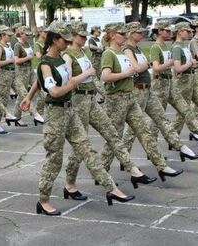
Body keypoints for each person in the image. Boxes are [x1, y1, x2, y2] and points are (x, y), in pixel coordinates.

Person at [20, 22, 134, 216]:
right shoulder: (46, 63)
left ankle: (111, 188)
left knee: (86, 149)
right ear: (55, 39)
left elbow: (39, 82)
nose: (68, 43)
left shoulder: (60, 60)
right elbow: (54, 91)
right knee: (54, 160)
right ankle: (44, 200)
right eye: (65, 40)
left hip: (69, 111)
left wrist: (29, 96)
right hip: (55, 114)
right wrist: (78, 80)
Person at [62, 22, 156, 193]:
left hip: (91, 100)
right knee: (80, 146)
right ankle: (70, 184)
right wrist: (87, 74)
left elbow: (95, 79)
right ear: (72, 36)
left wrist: (102, 93)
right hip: (78, 101)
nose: (83, 39)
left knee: (112, 134)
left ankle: (133, 170)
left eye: (84, 36)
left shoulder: (83, 53)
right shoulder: (68, 56)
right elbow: (70, 82)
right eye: (80, 36)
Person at [99, 23, 183, 181]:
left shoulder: (122, 53)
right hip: (116, 100)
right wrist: (126, 74)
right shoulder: (109, 53)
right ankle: (102, 171)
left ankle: (161, 165)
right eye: (121, 33)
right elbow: (105, 77)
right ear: (111, 35)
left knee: (144, 131)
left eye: (125, 34)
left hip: (130, 96)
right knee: (114, 137)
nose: (124, 36)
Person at [120, 22, 198, 162]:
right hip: (137, 90)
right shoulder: (128, 49)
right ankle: (125, 157)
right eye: (139, 33)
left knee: (161, 118)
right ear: (130, 34)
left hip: (148, 89)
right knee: (133, 128)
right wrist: (150, 65)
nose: (142, 34)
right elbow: (137, 68)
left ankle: (178, 146)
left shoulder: (138, 49)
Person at [149, 22, 198, 147]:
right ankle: (153, 147)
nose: (168, 32)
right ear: (159, 31)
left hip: (169, 82)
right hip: (161, 84)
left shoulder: (166, 46)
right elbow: (158, 68)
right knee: (158, 118)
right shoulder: (158, 47)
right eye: (166, 30)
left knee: (185, 111)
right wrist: (184, 63)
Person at [12, 26, 44, 125]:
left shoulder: (28, 44)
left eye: (29, 35)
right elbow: (16, 61)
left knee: (41, 91)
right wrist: (27, 58)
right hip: (21, 72)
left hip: (30, 70)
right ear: (21, 34)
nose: (28, 36)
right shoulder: (18, 45)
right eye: (26, 34)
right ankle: (33, 115)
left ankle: (38, 113)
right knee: (23, 95)